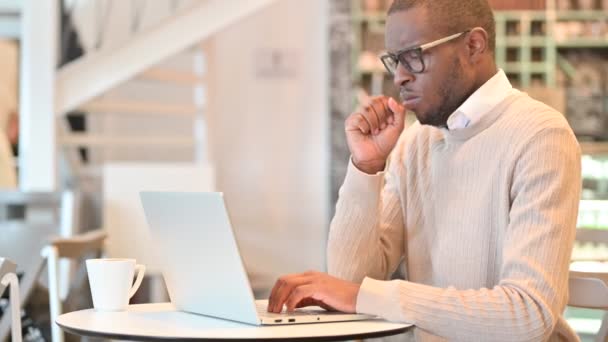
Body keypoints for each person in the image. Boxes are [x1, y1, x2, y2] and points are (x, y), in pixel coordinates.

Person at [267, 0, 581, 340]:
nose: (400, 76)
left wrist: (363, 296)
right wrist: (366, 166)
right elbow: (351, 279)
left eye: (414, 56)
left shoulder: (540, 135)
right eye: (395, 60)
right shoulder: (414, 143)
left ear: (473, 45)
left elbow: (528, 314)